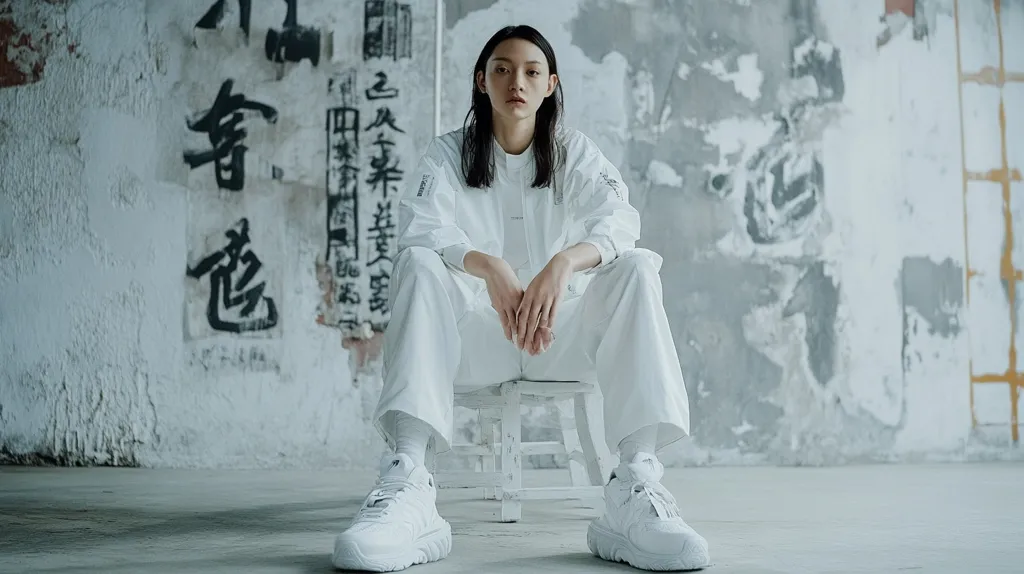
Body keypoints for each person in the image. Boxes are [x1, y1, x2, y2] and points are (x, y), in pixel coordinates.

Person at [331, 24, 710, 573]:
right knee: (417, 264)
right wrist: (487, 267)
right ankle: (408, 482)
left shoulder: (573, 152)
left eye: (532, 71)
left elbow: (620, 220)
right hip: (471, 344)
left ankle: (636, 487)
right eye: (503, 69)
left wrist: (563, 263)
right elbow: (420, 228)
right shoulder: (445, 156)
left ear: (551, 84)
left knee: (635, 268)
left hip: (559, 339)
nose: (517, 81)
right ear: (481, 81)